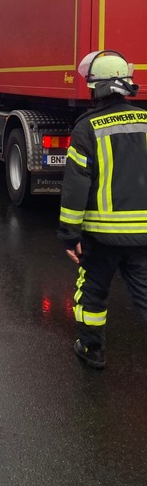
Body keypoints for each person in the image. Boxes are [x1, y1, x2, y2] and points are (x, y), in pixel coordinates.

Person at [59, 50, 147, 369]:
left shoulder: (87, 128)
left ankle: (91, 348)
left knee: (92, 292)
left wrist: (70, 235)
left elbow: (76, 186)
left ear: (97, 88)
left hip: (102, 237)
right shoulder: (145, 122)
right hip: (143, 236)